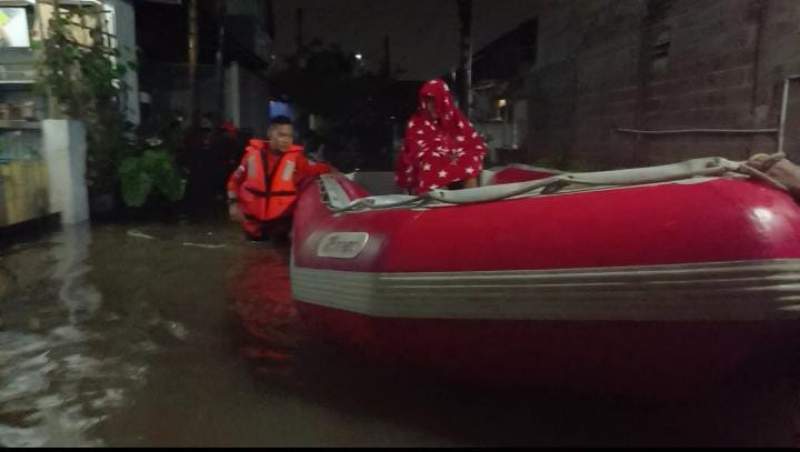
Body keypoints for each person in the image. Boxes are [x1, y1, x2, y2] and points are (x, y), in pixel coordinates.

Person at [226, 116, 335, 241]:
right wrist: (233, 204)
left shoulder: (297, 159)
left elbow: (317, 169)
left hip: (280, 228)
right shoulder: (251, 156)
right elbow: (234, 181)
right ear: (270, 133)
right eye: (282, 135)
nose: (286, 140)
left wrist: (334, 170)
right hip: (252, 227)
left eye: (290, 136)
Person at [395, 79, 489, 195]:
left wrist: (456, 154)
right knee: (432, 160)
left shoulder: (457, 119)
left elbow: (473, 143)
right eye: (428, 101)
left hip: (455, 157)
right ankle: (440, 201)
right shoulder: (416, 122)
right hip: (433, 161)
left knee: (470, 158)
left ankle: (472, 200)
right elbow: (416, 150)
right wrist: (445, 155)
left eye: (435, 101)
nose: (431, 106)